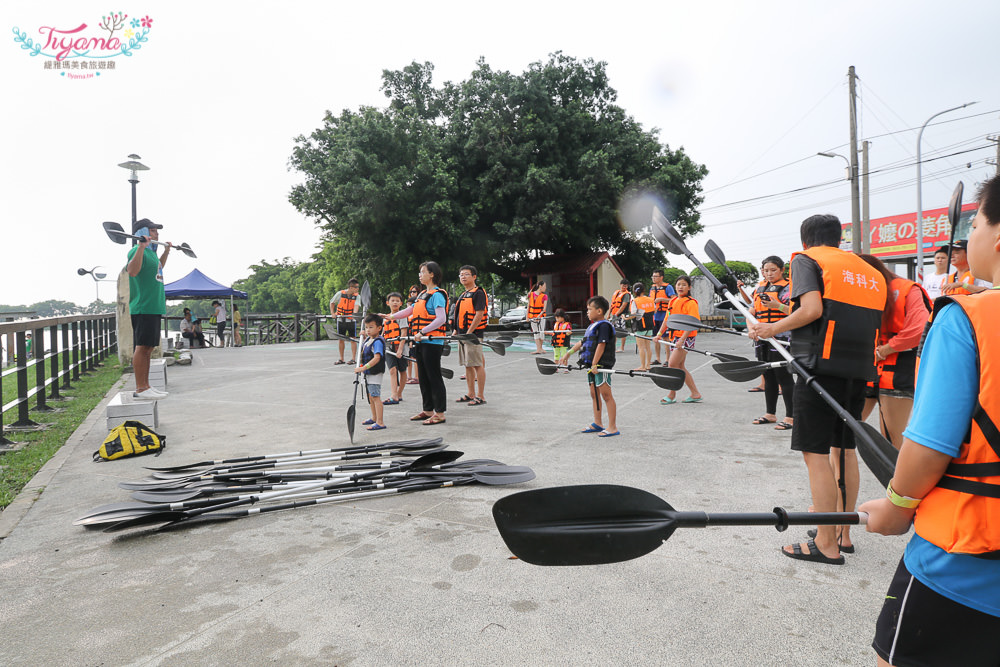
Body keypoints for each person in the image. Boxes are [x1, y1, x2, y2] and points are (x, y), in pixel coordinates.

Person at [860, 174, 1000, 666]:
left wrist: (899, 507)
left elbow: (929, 442)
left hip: (964, 568)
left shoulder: (969, 317)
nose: (968, 240)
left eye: (976, 225)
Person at [749, 213, 886, 563]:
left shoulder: (806, 260)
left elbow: (811, 309)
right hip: (859, 371)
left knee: (816, 455)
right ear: (838, 238)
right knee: (845, 449)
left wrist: (770, 329)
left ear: (806, 239)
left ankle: (825, 543)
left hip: (818, 371)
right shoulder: (868, 270)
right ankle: (843, 533)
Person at [859, 254, 932, 450]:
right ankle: (840, 481)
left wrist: (884, 349)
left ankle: (895, 480)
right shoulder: (856, 290)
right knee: (842, 435)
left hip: (897, 370)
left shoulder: (907, 289)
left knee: (890, 442)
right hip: (863, 369)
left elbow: (920, 328)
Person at [384, 262, 448, 426]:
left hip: (432, 341)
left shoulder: (437, 295)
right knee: (424, 377)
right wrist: (390, 317)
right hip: (421, 340)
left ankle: (439, 413)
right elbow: (409, 311)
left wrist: (423, 332)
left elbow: (442, 319)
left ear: (432, 274)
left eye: (423, 272)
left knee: (434, 376)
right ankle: (427, 410)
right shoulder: (421, 295)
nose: (420, 275)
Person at [125, 218, 171, 400]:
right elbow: (132, 271)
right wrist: (141, 247)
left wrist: (166, 251)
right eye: (152, 231)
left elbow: (158, 269)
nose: (156, 233)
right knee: (142, 347)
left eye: (156, 231)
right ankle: (141, 388)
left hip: (153, 306)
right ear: (142, 232)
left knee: (149, 348)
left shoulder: (152, 254)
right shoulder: (136, 250)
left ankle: (146, 386)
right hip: (143, 306)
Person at [560, 296, 618, 438]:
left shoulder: (604, 325)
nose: (587, 312)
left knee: (606, 395)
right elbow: (583, 341)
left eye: (589, 309)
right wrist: (568, 353)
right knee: (594, 394)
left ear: (599, 311)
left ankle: (612, 427)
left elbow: (601, 344)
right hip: (592, 365)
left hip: (600, 365)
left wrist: (595, 363)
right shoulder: (592, 326)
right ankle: (598, 422)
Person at [748, 256, 794, 430]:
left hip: (781, 338)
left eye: (773, 270)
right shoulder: (760, 288)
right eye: (766, 270)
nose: (769, 274)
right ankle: (770, 413)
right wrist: (751, 329)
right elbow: (751, 312)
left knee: (783, 376)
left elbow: (799, 312)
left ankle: (791, 416)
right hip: (762, 339)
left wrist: (778, 306)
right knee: (768, 376)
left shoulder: (789, 288)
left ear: (782, 270)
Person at [654, 276, 702, 404]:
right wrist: (659, 334)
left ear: (689, 287)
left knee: (672, 364)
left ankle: (671, 393)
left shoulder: (691, 302)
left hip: (686, 337)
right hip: (674, 337)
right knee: (680, 366)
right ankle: (695, 393)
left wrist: (682, 339)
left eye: (684, 285)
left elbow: (692, 322)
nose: (680, 287)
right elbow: (667, 320)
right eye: (678, 284)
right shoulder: (672, 301)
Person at [454, 265, 488, 406]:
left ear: (474, 277)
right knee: (468, 365)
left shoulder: (478, 293)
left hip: (473, 335)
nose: (463, 276)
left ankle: (480, 396)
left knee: (477, 364)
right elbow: (459, 315)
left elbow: (479, 314)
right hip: (462, 335)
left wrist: (469, 333)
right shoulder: (463, 294)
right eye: (461, 274)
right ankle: (470, 393)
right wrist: (456, 330)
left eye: (466, 274)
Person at [355, 314, 386, 431]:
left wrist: (363, 368)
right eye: (366, 327)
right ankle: (374, 417)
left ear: (379, 328)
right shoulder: (369, 339)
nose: (368, 330)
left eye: (371, 327)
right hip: (368, 373)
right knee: (370, 396)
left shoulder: (377, 341)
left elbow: (377, 358)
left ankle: (380, 422)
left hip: (374, 373)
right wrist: (363, 335)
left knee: (375, 397)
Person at [381, 292, 408, 406]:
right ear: (388, 303)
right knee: (392, 370)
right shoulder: (386, 318)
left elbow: (404, 332)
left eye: (397, 301)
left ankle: (399, 393)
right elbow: (383, 333)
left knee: (402, 371)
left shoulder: (402, 316)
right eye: (393, 300)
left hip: (399, 347)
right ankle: (394, 395)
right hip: (389, 347)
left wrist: (400, 349)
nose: (395, 302)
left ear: (401, 303)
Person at [330, 279, 360, 364]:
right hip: (341, 319)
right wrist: (332, 313)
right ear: (351, 287)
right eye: (356, 287)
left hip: (351, 320)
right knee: (341, 339)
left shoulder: (357, 296)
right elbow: (332, 302)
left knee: (353, 339)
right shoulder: (340, 294)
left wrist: (354, 314)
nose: (357, 289)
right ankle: (341, 358)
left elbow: (356, 306)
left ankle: (353, 359)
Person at [649, 269, 676, 365]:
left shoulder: (668, 287)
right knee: (656, 338)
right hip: (655, 316)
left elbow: (674, 300)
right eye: (653, 276)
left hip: (665, 316)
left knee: (665, 338)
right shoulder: (652, 288)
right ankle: (658, 359)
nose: (653, 278)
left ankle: (668, 360)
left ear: (661, 277)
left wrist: (662, 299)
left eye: (656, 276)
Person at [629, 282, 655, 372]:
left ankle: (642, 366)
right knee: (648, 346)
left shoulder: (635, 301)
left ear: (634, 292)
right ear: (644, 290)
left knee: (641, 347)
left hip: (640, 326)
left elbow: (634, 314)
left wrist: (625, 317)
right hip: (650, 326)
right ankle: (648, 365)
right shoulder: (651, 299)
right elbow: (654, 310)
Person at [403, 285, 420, 385]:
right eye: (411, 291)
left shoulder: (417, 313)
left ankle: (417, 377)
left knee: (414, 358)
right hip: (407, 337)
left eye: (414, 291)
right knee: (408, 358)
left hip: (414, 337)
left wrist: (411, 341)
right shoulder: (407, 315)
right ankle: (408, 376)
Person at [610, 279, 632, 353]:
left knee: (622, 330)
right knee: (613, 331)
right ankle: (613, 347)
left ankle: (622, 347)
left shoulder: (626, 294)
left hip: (621, 315)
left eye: (626, 286)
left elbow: (624, 305)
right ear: (620, 284)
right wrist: (609, 314)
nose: (624, 287)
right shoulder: (616, 293)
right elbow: (612, 304)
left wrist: (617, 314)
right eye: (623, 285)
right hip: (614, 314)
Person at [527, 281, 548, 355]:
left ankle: (540, 348)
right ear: (540, 286)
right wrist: (527, 317)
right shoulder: (531, 295)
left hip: (541, 317)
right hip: (532, 317)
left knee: (541, 332)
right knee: (536, 333)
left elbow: (544, 309)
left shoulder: (545, 296)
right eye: (544, 286)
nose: (545, 288)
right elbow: (528, 306)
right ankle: (538, 349)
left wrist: (538, 316)